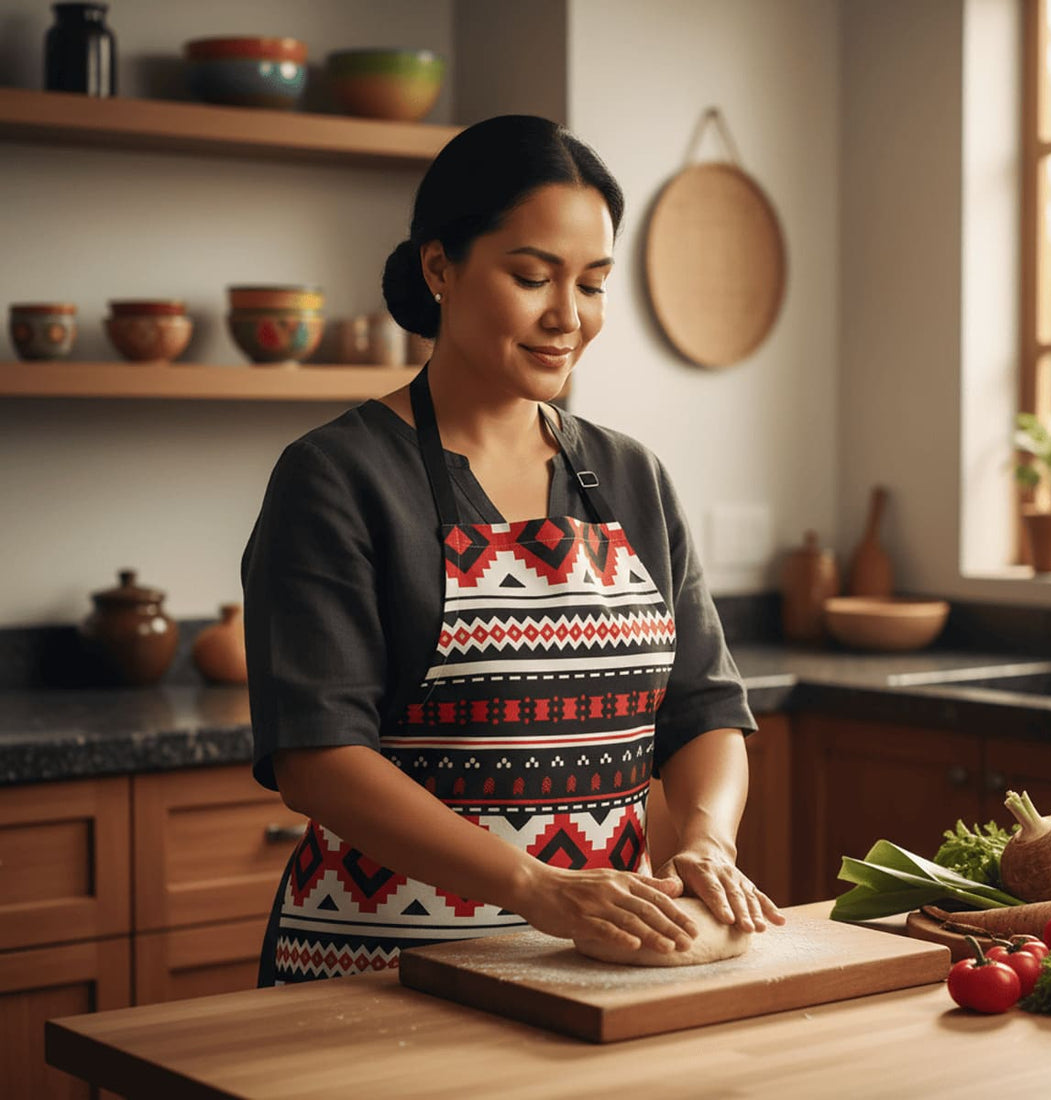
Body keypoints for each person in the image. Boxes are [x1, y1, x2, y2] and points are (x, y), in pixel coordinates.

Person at [243, 114, 783, 986]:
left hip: (592, 969)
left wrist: (707, 840)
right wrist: (537, 887)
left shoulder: (631, 476)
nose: (568, 316)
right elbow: (318, 760)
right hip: (383, 972)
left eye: (593, 284)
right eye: (532, 277)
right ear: (439, 268)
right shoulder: (337, 477)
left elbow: (705, 711)